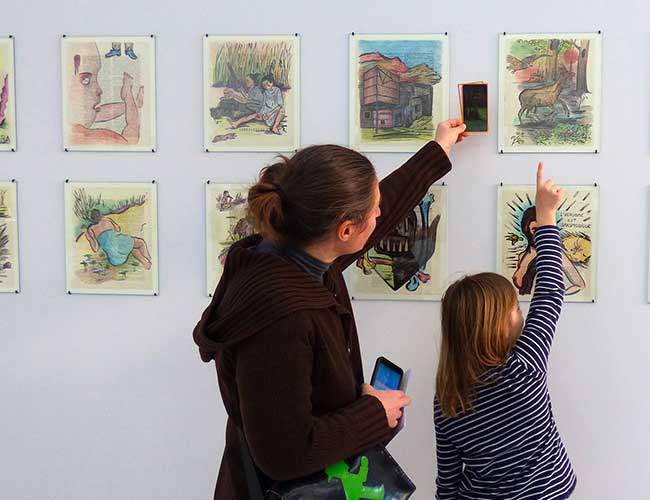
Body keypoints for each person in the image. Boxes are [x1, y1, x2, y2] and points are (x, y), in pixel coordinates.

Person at [193, 119, 467, 500]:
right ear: (345, 231)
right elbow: (284, 454)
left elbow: (381, 214)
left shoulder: (291, 253)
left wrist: (438, 151)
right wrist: (374, 413)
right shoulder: (282, 317)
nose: (379, 214)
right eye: (373, 209)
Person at [434, 162, 576, 500]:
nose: (522, 312)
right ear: (497, 326)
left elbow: (448, 482)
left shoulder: (447, 398)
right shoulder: (523, 369)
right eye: (514, 308)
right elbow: (551, 292)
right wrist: (546, 215)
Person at [68, 42, 144, 146]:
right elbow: (130, 142)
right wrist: (128, 94)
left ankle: (133, 103)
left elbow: (98, 113)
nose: (99, 90)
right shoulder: (80, 135)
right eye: (85, 80)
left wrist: (132, 104)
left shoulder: (70, 118)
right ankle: (128, 96)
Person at [513, 205, 585, 296]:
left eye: (542, 229)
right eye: (535, 230)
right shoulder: (522, 256)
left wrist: (555, 296)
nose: (539, 233)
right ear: (526, 230)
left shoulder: (555, 253)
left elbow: (579, 285)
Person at [82, 209, 152, 269]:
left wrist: (87, 234)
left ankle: (145, 263)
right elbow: (118, 229)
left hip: (114, 260)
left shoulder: (91, 229)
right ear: (100, 215)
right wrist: (109, 223)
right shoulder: (106, 220)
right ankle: (150, 259)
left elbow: (95, 248)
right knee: (141, 242)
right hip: (118, 245)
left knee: (132, 248)